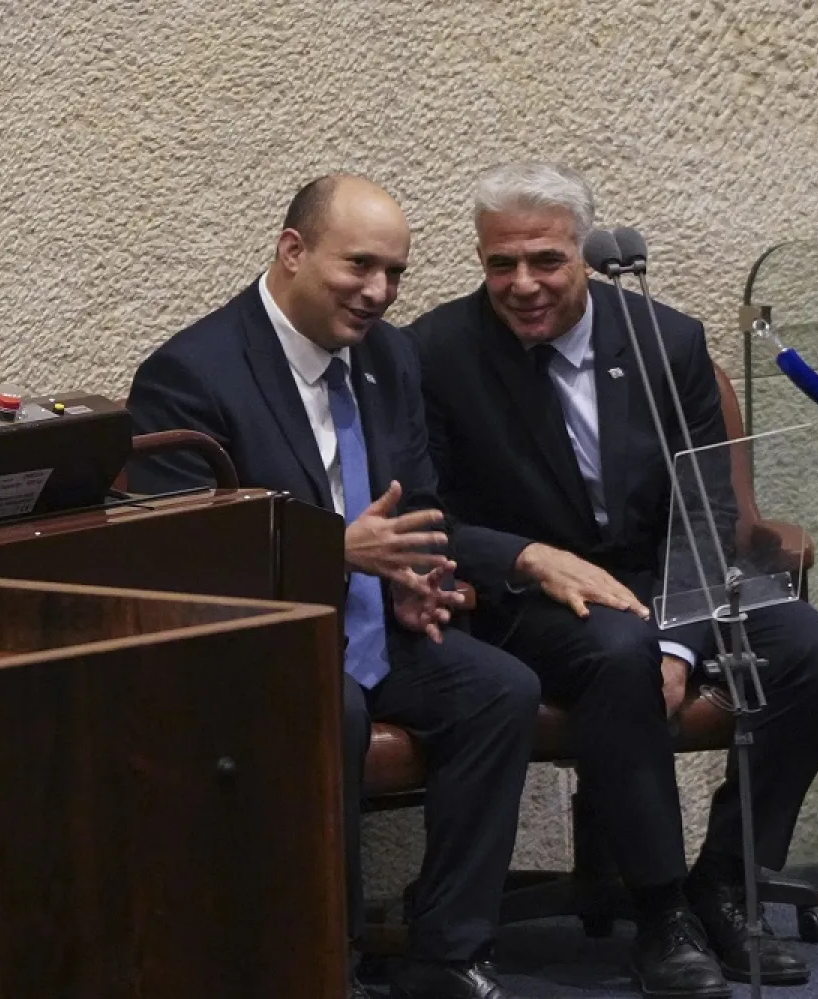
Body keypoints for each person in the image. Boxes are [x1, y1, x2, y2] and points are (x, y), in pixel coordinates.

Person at [406, 162, 818, 995]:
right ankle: (660, 913)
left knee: (815, 653)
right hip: (531, 596)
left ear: (583, 253)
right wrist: (522, 558)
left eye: (546, 260)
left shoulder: (665, 340)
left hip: (666, 576)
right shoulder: (435, 353)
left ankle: (724, 883)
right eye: (500, 264)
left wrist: (681, 638)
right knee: (618, 651)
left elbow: (707, 504)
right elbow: (429, 512)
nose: (523, 284)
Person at [124, 174, 540, 999]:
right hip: (264, 641)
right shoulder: (190, 373)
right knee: (332, 706)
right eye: (360, 266)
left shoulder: (388, 357)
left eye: (395, 274)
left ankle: (447, 951)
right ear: (292, 251)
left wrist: (420, 577)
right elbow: (181, 557)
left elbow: (415, 500)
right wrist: (334, 550)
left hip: (372, 628)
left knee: (501, 688)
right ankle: (325, 960)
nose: (379, 293)